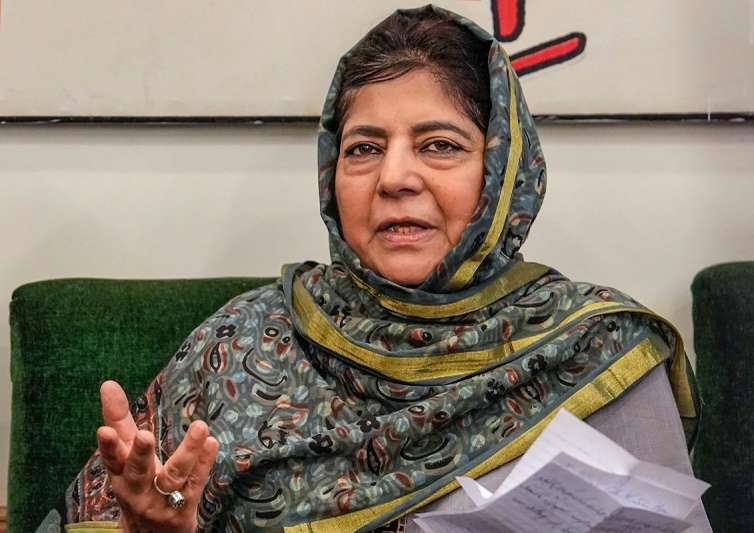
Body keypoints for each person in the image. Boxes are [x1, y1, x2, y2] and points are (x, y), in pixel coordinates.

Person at [39, 5, 707, 532]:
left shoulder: (594, 349)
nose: (394, 178)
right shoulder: (242, 343)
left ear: (503, 174)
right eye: (363, 148)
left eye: (439, 145)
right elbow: (134, 501)